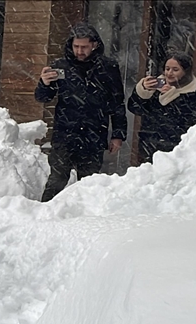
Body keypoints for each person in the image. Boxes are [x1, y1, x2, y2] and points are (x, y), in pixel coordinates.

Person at [35, 22, 127, 202]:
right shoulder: (61, 66)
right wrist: (44, 83)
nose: (79, 51)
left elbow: (117, 103)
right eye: (76, 46)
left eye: (84, 47)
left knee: (89, 183)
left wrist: (118, 135)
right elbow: (43, 98)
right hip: (65, 133)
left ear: (94, 45)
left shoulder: (108, 67)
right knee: (57, 179)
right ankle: (43, 214)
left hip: (94, 133)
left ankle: (84, 221)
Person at [127, 52, 196, 164]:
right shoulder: (156, 87)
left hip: (177, 150)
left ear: (185, 72)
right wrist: (142, 90)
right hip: (149, 146)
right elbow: (135, 108)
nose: (169, 73)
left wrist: (172, 96)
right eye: (167, 68)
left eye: (175, 69)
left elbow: (190, 118)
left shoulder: (195, 92)